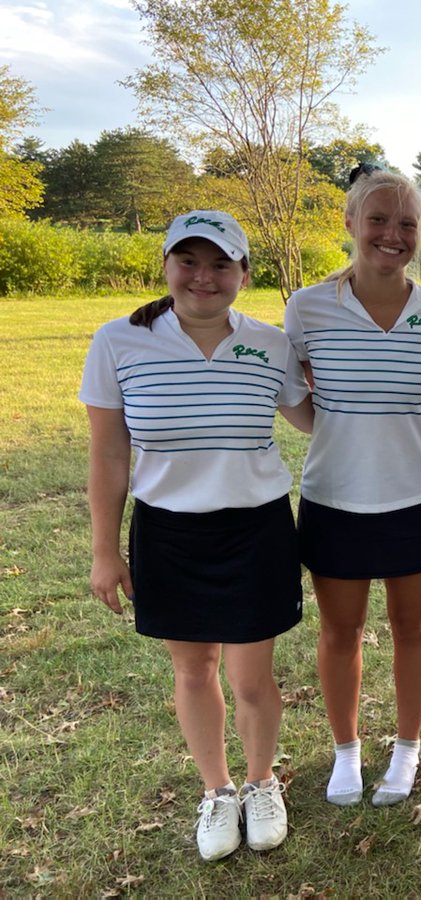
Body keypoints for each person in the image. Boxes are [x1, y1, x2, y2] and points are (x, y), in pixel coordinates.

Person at [82, 210, 312, 862]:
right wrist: (105, 550)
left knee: (250, 676)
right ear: (166, 266)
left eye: (220, 264)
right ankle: (218, 791)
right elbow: (107, 456)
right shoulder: (119, 342)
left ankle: (262, 783)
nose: (203, 277)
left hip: (256, 526)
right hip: (168, 531)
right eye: (189, 261)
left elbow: (311, 418)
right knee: (193, 670)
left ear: (243, 273)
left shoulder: (269, 343)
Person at [283, 166, 421, 808]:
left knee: (413, 627)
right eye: (378, 219)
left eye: (406, 223)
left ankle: (407, 751)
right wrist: (341, 428)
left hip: (417, 496)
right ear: (351, 223)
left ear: (419, 234)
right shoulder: (307, 306)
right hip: (335, 498)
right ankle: (347, 753)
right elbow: (296, 396)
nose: (392, 234)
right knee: (341, 632)